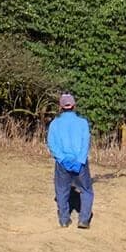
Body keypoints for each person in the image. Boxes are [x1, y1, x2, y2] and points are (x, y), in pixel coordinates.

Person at [47, 92, 93, 229]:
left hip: (62, 162)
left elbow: (51, 143)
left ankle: (64, 220)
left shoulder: (55, 123)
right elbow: (86, 142)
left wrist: (61, 158)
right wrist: (80, 160)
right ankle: (84, 220)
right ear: (74, 106)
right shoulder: (83, 123)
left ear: (60, 107)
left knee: (61, 190)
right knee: (86, 190)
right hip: (80, 162)